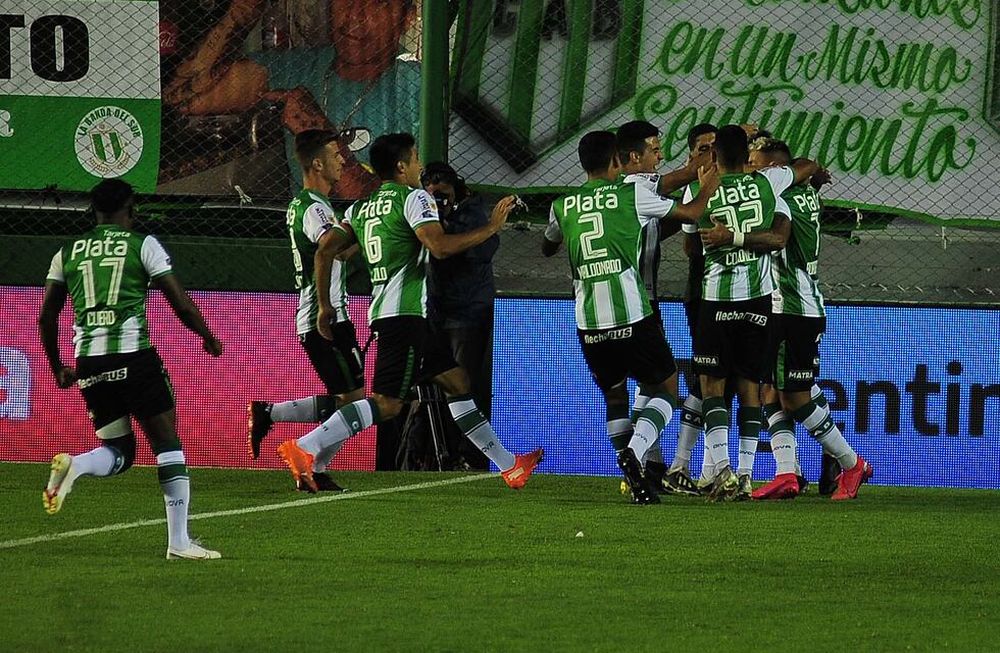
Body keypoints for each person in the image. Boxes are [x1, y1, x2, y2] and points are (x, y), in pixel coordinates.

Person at [274, 133, 543, 491]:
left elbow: (327, 252)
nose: (419, 166)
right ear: (402, 166)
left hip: (400, 316)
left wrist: (326, 303)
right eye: (415, 158)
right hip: (403, 318)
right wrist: (492, 228)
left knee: (457, 382)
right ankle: (306, 447)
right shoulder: (414, 198)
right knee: (387, 405)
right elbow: (440, 247)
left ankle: (509, 466)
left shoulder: (361, 208)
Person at [38, 179, 224, 560]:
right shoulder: (143, 244)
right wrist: (207, 335)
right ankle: (179, 542)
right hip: (133, 356)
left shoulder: (67, 251)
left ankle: (76, 465)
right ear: (132, 208)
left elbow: (46, 315)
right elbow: (181, 304)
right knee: (166, 442)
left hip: (88, 361)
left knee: (119, 450)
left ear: (93, 210)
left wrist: (58, 365)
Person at [541, 130, 718, 504]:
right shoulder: (632, 193)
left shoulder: (563, 205)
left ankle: (634, 479)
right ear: (617, 162)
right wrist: (707, 186)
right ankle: (634, 454)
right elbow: (691, 213)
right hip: (632, 313)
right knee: (666, 388)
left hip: (588, 320)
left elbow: (548, 245)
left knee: (615, 395)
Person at [163, 0, 420, 198]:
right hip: (308, 251)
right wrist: (244, 10)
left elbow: (401, 219)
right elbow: (181, 94)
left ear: (407, 18)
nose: (354, 16)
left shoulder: (419, 89)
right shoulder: (297, 70)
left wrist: (319, 133)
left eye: (376, 3)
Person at [692, 125, 821, 500]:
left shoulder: (704, 190)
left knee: (712, 387)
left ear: (714, 156)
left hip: (716, 298)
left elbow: (689, 242)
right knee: (751, 386)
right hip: (759, 300)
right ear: (745, 156)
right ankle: (746, 474)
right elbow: (802, 171)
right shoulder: (769, 183)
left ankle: (723, 470)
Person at [746, 138, 873, 501]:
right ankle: (786, 472)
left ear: (774, 169)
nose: (749, 168)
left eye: (755, 162)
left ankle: (852, 464)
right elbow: (805, 169)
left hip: (794, 309)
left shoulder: (778, 196)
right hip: (786, 306)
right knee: (769, 389)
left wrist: (735, 237)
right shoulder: (804, 193)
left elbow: (776, 237)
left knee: (796, 398)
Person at [247, 129, 366, 492]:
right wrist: (326, 306)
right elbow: (327, 248)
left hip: (321, 315)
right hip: (325, 317)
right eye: (335, 153)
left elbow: (339, 253)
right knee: (355, 402)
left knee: (344, 398)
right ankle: (305, 454)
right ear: (317, 162)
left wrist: (357, 233)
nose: (342, 159)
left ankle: (272, 417)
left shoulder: (312, 205)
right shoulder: (313, 207)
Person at [613, 120, 706, 494]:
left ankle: (650, 465)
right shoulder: (636, 185)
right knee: (666, 382)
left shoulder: (612, 194)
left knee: (641, 385)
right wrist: (706, 169)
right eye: (654, 149)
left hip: (612, 304)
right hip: (640, 302)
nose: (660, 155)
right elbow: (681, 188)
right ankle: (636, 457)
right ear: (634, 156)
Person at [422, 161, 499, 470]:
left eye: (442, 193)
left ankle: (468, 456)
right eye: (431, 194)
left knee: (466, 386)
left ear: (455, 190)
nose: (437, 199)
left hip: (469, 313)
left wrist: (446, 231)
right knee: (439, 386)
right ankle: (435, 455)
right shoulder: (426, 215)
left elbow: (480, 250)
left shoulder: (474, 215)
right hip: (437, 312)